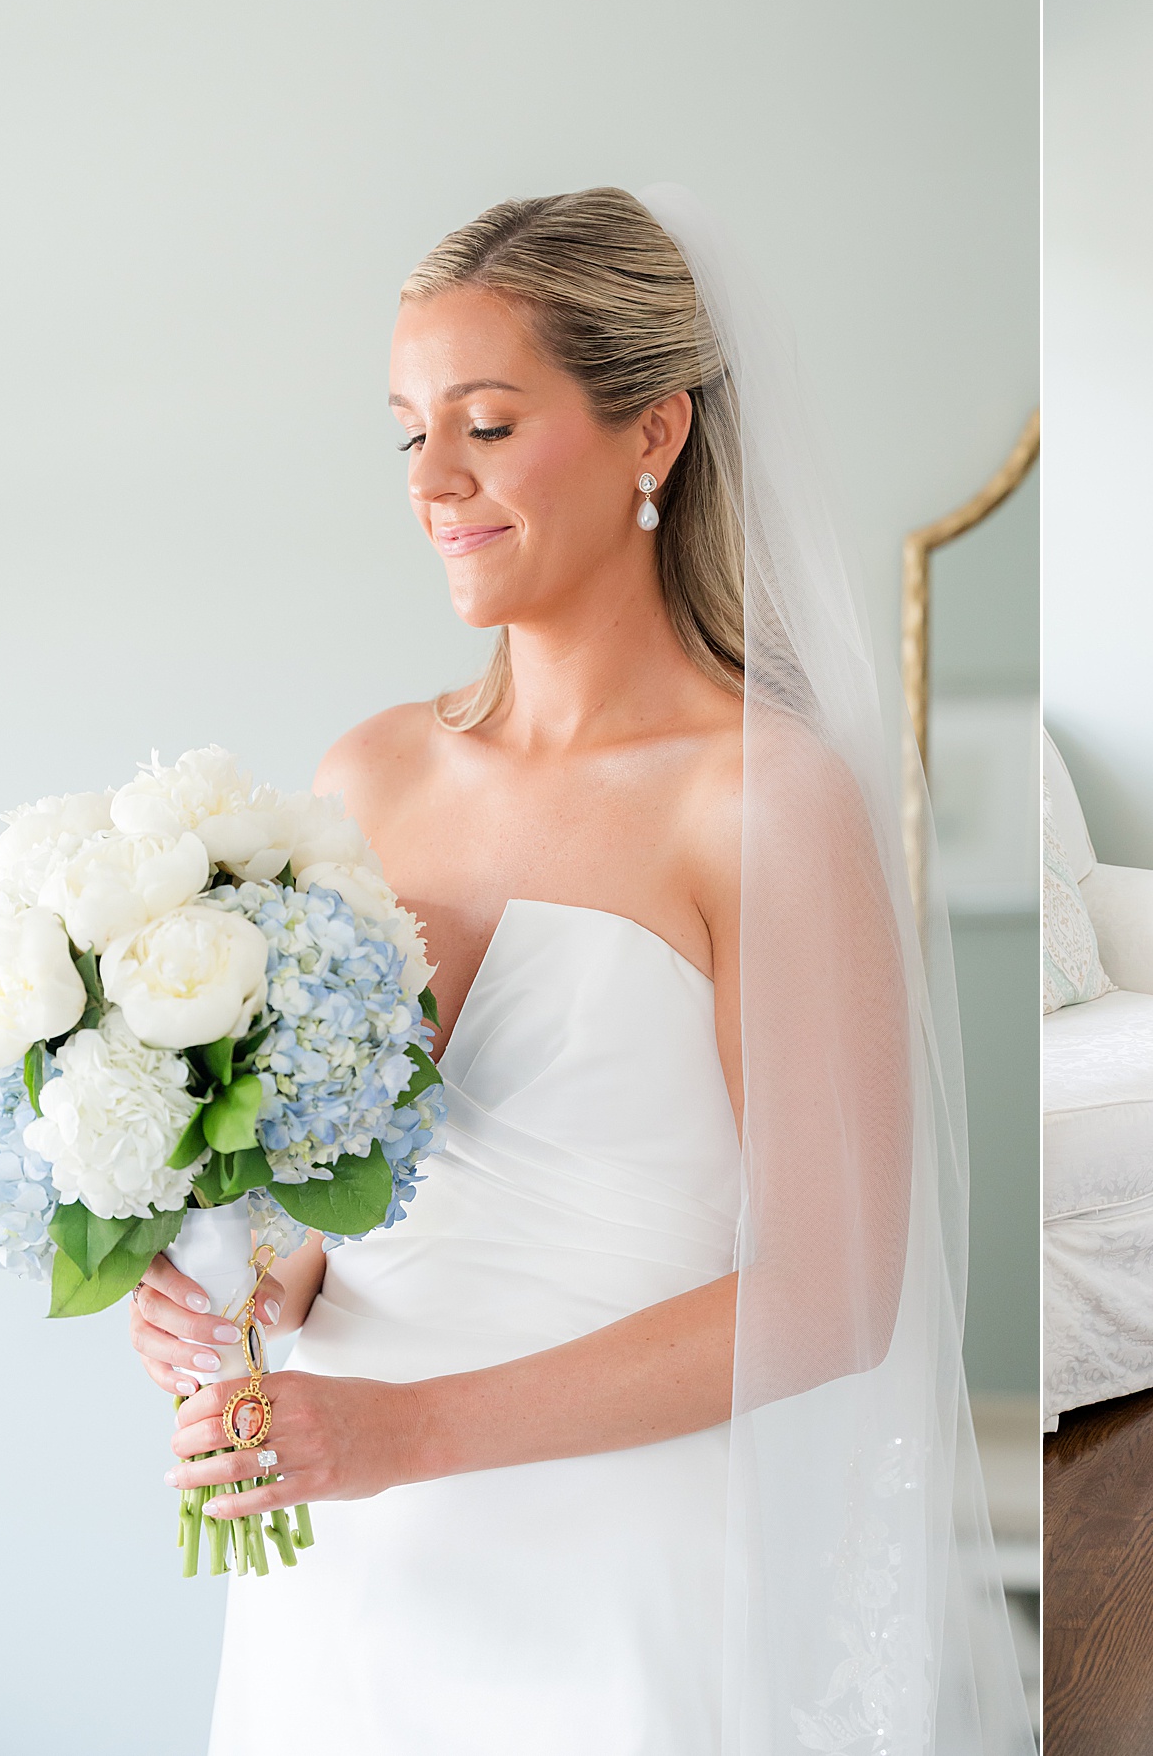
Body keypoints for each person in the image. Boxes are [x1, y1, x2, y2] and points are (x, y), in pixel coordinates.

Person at [119, 185, 1031, 1755]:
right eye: (408, 433)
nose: (434, 480)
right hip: (342, 1565)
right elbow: (335, 1200)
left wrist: (404, 1434)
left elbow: (830, 1298)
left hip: (611, 1574)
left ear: (652, 432)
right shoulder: (368, 774)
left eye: (485, 424)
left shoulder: (763, 799)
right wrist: (238, 1291)